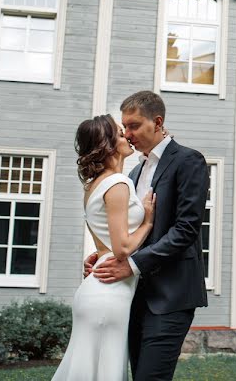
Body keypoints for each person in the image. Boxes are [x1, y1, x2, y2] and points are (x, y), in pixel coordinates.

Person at [87, 90, 209, 381]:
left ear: (157, 122)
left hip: (171, 295)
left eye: (134, 126)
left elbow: (186, 228)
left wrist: (131, 264)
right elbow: (131, 231)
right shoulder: (134, 173)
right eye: (124, 127)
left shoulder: (189, 161)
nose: (127, 134)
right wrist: (104, 255)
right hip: (131, 296)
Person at [53, 114, 156, 381]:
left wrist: (96, 257)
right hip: (109, 292)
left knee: (87, 369)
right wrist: (147, 221)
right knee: (105, 371)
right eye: (121, 134)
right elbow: (122, 249)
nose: (128, 137)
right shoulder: (117, 183)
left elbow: (105, 244)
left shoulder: (94, 185)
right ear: (108, 144)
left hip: (99, 286)